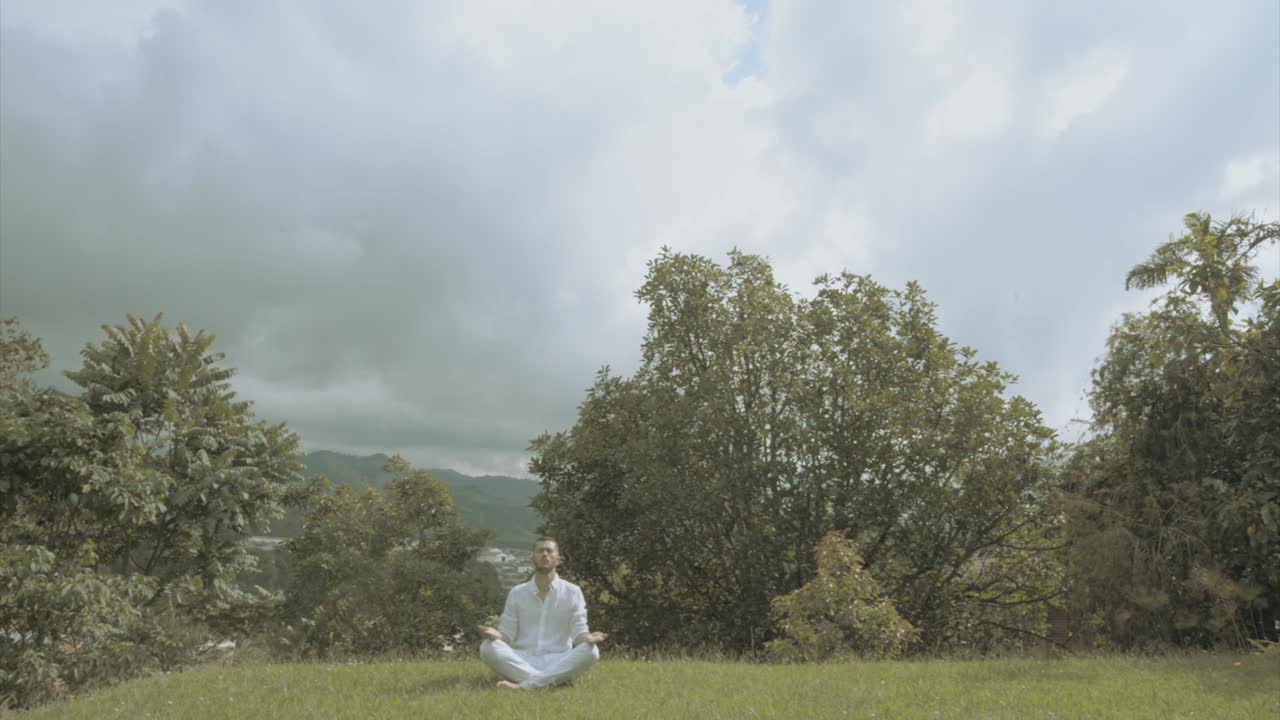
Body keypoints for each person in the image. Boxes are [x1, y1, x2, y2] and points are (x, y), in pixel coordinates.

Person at [477, 537, 608, 690]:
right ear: (533, 558)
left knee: (591, 651)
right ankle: (553, 682)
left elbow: (578, 633)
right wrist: (496, 635)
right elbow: (507, 634)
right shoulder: (518, 592)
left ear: (558, 559)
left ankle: (524, 687)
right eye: (540, 551)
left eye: (549, 551)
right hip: (523, 658)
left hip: (558, 659)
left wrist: (589, 637)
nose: (545, 554)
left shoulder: (573, 592)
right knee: (487, 647)